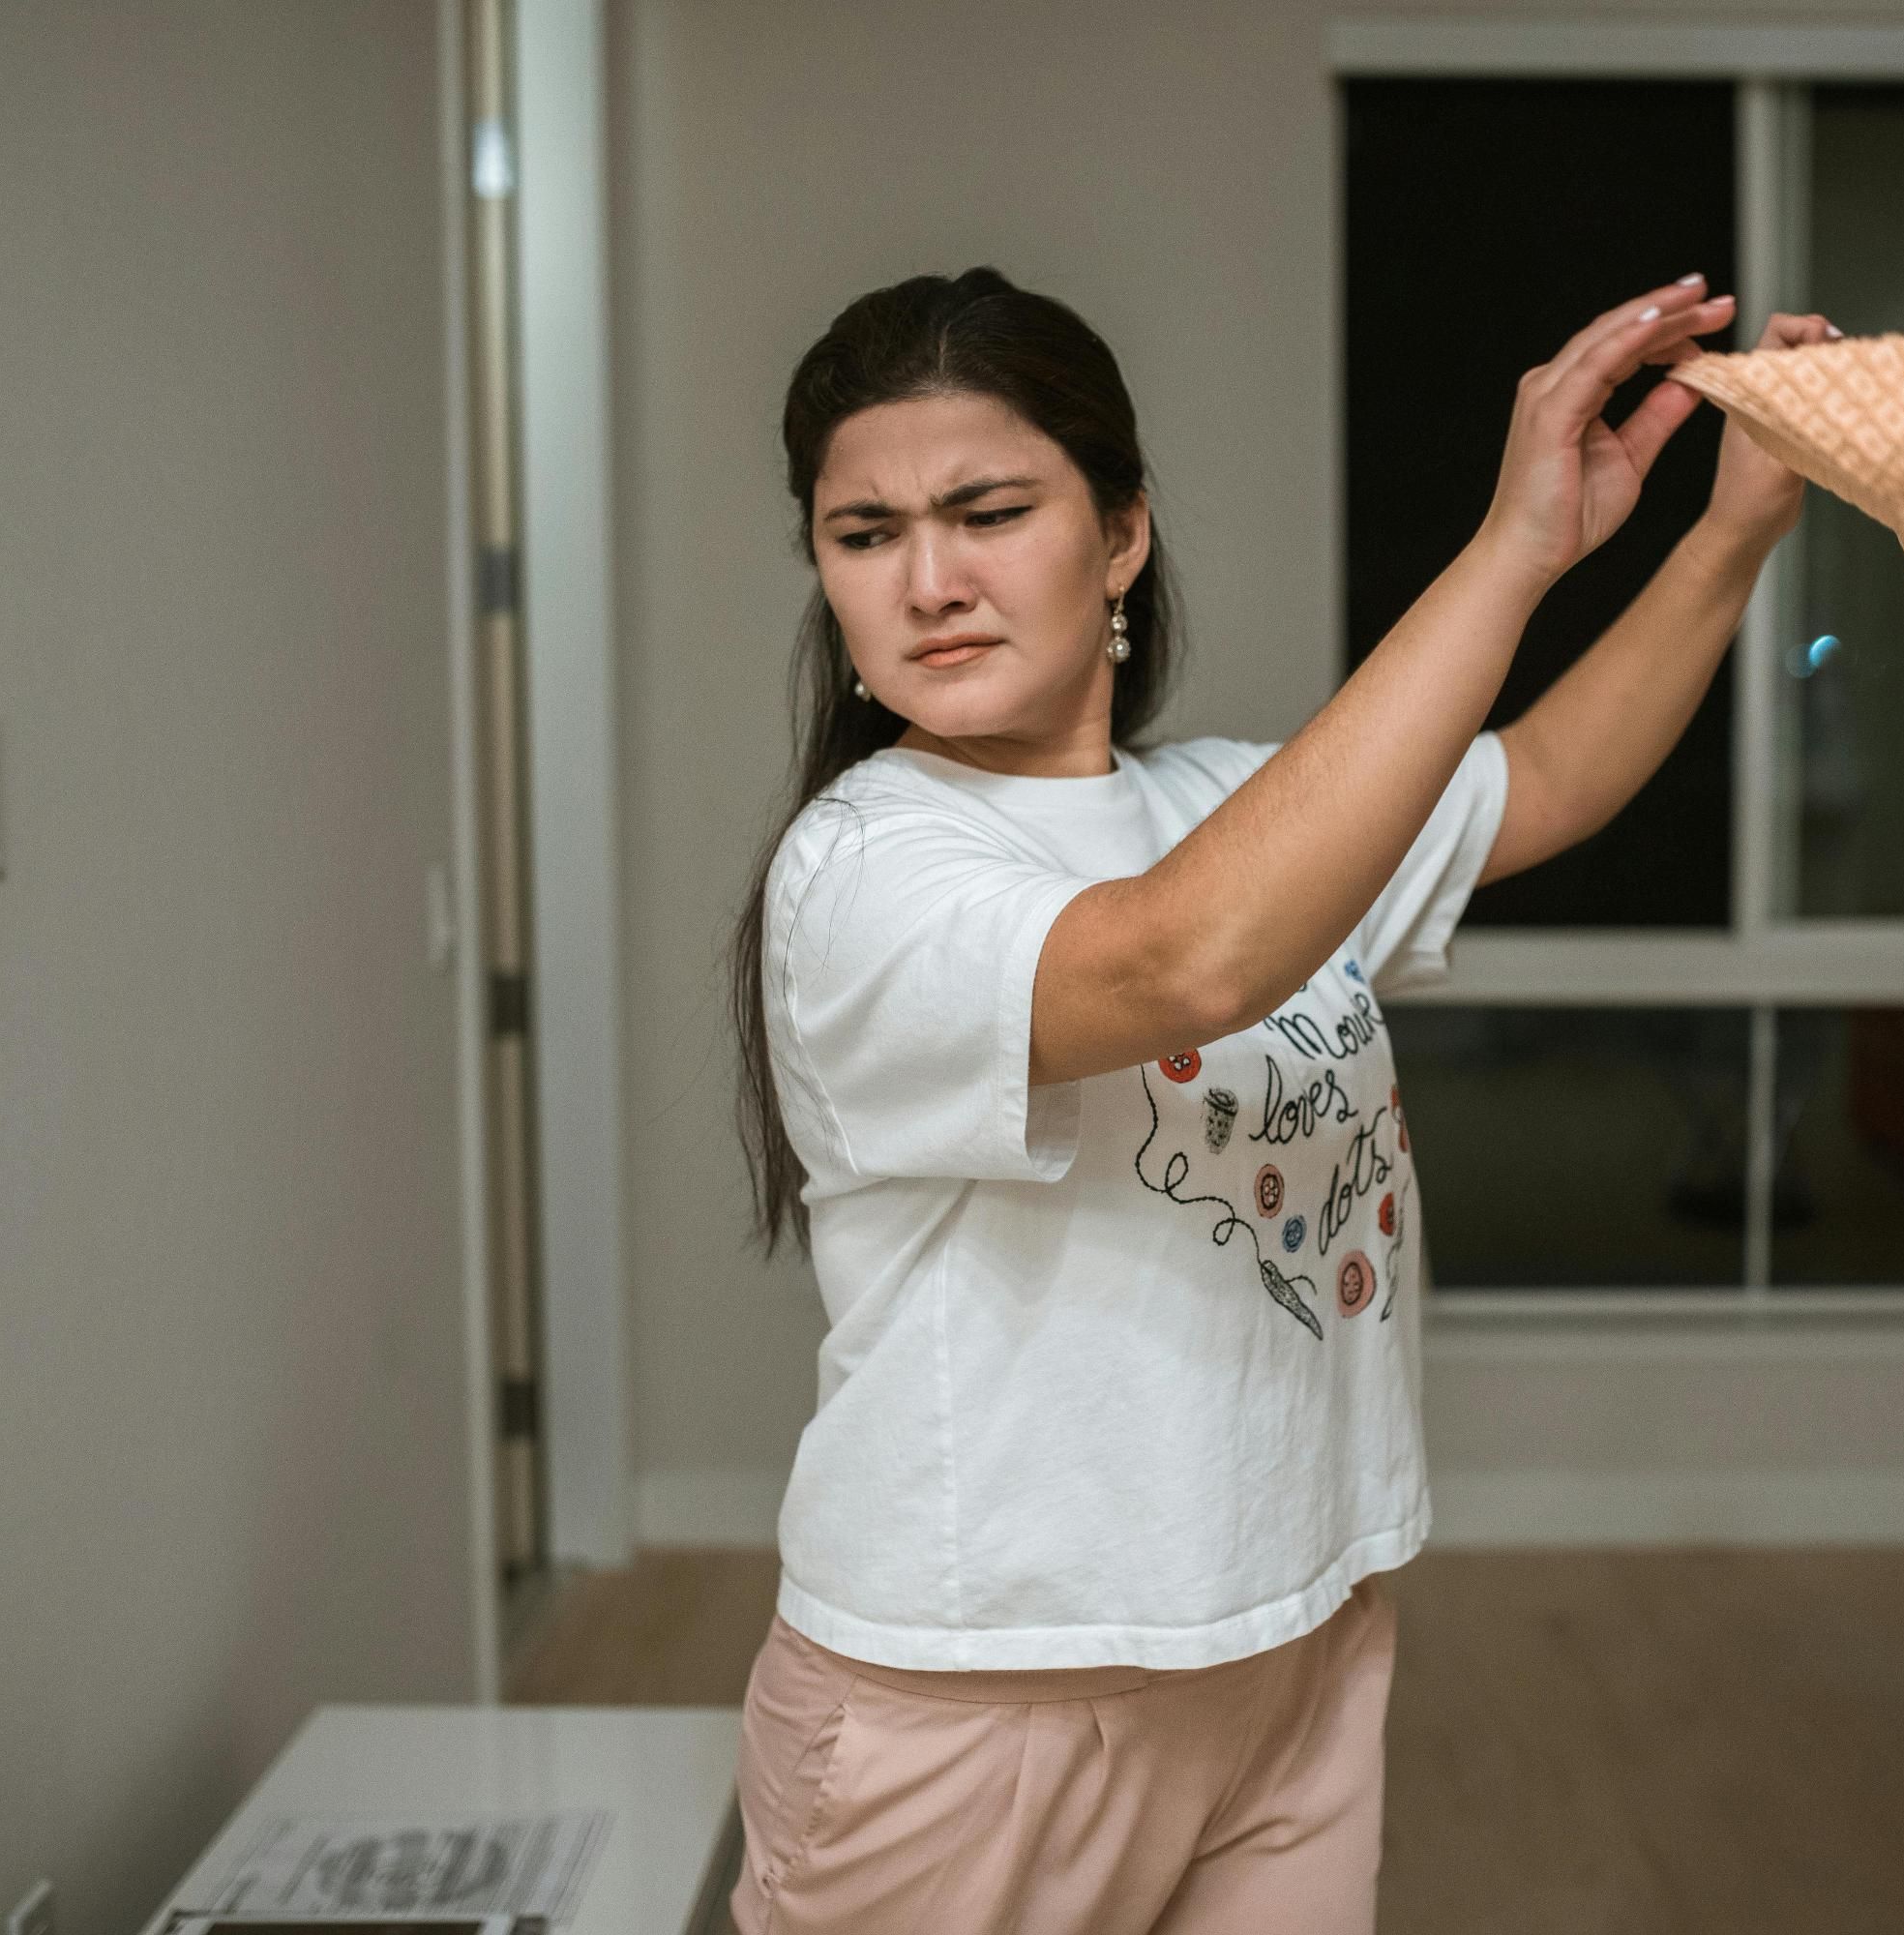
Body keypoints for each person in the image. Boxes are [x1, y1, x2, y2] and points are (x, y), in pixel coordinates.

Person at [722, 264, 1831, 1934]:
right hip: (980, 1693)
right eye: (864, 534)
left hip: (1293, 1641)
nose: (930, 582)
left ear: (1121, 536)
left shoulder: (1227, 802)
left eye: (990, 513)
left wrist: (1737, 530)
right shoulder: (866, 868)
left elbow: (1545, 778)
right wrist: (1516, 547)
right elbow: (1191, 961)